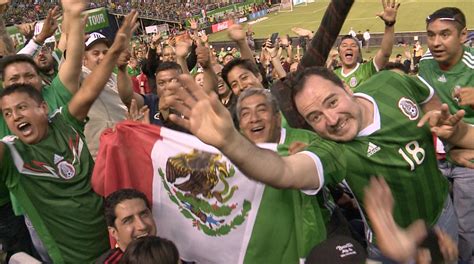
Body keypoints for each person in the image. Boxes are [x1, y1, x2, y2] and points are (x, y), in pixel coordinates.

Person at [164, 66, 466, 262]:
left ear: (348, 88)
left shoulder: (392, 82)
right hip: (392, 246)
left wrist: (451, 138)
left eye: (332, 102)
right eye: (315, 117)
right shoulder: (333, 150)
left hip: (444, 210)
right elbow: (283, 171)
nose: (331, 120)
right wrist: (230, 142)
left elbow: (430, 104)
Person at [0, 10, 138, 263]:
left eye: (22, 107)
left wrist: (116, 49)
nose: (15, 116)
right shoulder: (11, 154)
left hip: (114, 245)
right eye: (8, 113)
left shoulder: (65, 120)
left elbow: (89, 90)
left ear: (43, 106)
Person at [418, 7, 474, 262]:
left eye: (444, 34)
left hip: (467, 162)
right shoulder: (426, 63)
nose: (436, 42)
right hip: (438, 158)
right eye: (431, 35)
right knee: (437, 223)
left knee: (466, 229)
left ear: (463, 35)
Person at [81, 32, 129, 159]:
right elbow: (68, 67)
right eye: (95, 53)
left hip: (125, 148)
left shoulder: (115, 77)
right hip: (102, 156)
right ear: (83, 59)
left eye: (105, 52)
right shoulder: (80, 78)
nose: (102, 57)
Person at [334, 0, 399, 90]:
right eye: (344, 45)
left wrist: (389, 25)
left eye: (353, 45)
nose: (349, 47)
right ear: (339, 53)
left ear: (358, 52)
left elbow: (385, 53)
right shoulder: (332, 76)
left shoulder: (367, 69)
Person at [97, 189, 157, 264]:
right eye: (128, 220)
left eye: (144, 214)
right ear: (113, 232)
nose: (142, 226)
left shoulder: (170, 256)